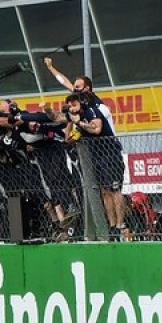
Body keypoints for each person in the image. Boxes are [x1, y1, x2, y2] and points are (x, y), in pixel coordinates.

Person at [65, 93, 126, 241]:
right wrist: (70, 121)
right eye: (70, 106)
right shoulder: (75, 119)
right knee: (104, 192)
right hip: (96, 157)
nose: (72, 108)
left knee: (114, 190)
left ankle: (120, 225)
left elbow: (97, 129)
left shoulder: (91, 111)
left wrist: (80, 123)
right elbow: (67, 137)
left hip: (110, 154)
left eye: (74, 104)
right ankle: (111, 227)